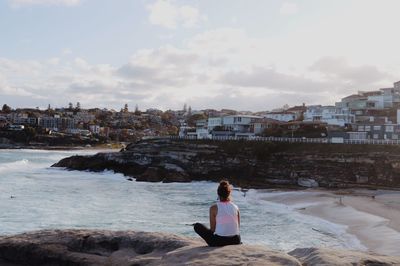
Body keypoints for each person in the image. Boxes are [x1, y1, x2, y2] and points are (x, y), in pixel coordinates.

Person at [193, 180, 241, 247]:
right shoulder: (236, 207)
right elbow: (237, 227)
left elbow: (213, 229)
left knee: (197, 226)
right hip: (236, 240)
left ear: (218, 194)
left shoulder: (214, 208)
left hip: (220, 241)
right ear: (229, 193)